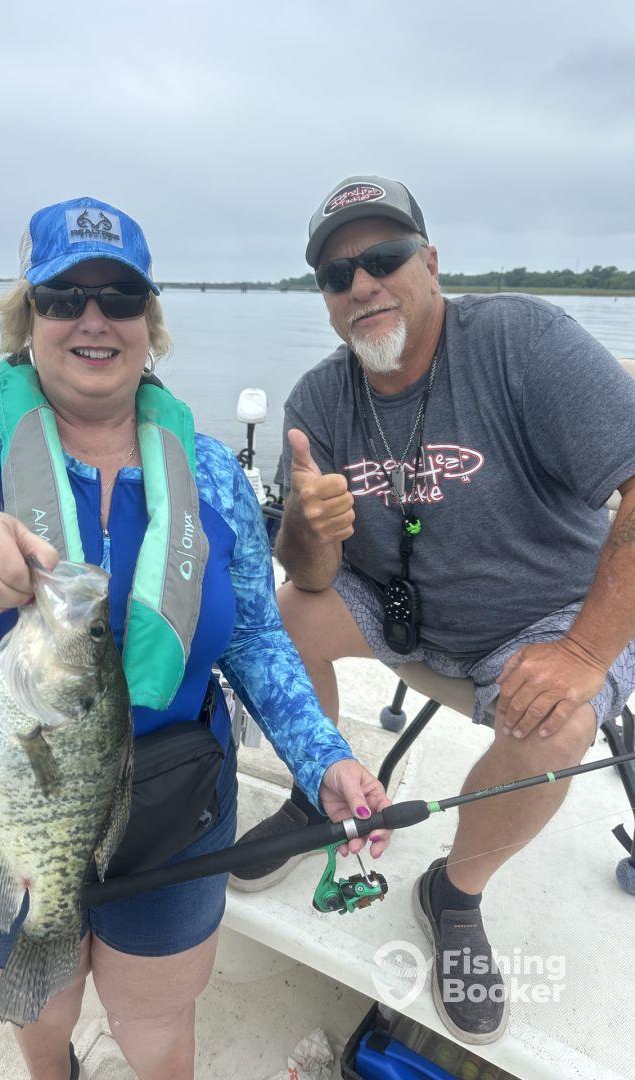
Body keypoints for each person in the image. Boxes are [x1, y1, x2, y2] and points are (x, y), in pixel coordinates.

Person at [0, 195, 393, 1080]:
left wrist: (324, 760)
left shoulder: (212, 471)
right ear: (25, 318)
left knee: (157, 1020)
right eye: (63, 297)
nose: (92, 318)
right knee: (45, 1006)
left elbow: (256, 638)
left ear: (150, 321)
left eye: (119, 296)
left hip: (176, 818)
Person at [230, 175, 635, 1043]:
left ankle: (452, 893)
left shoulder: (522, 340)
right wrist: (306, 527)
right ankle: (316, 789)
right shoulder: (317, 401)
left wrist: (585, 654)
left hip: (543, 618)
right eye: (337, 275)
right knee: (283, 614)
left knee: (557, 722)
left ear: (432, 261)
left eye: (383, 258)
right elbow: (308, 577)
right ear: (326, 301)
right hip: (400, 605)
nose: (363, 284)